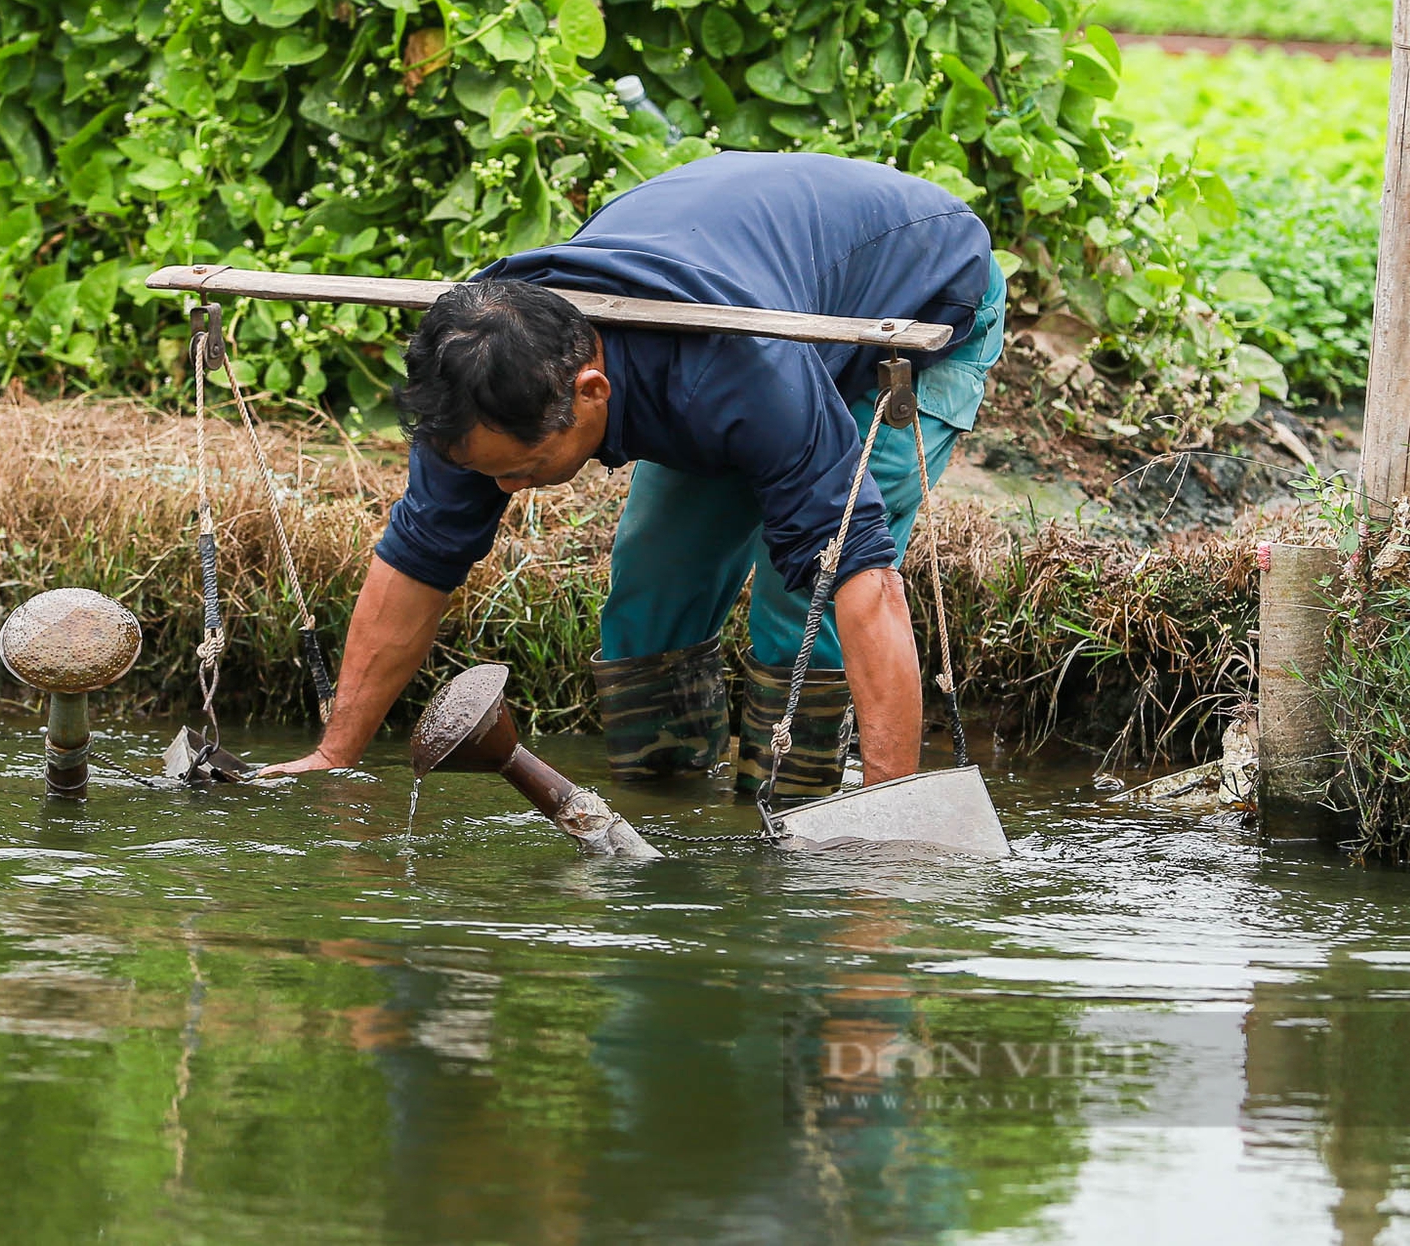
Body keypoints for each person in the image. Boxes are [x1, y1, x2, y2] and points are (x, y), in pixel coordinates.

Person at [263, 151, 1003, 800]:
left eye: (523, 471)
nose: (508, 492)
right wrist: (334, 754)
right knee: (652, 587)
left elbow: (863, 586)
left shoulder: (737, 375)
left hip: (912, 303)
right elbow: (417, 560)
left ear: (591, 392)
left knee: (798, 600)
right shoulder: (477, 372)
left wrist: (890, 838)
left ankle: (808, 815)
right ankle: (665, 806)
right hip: (741, 281)